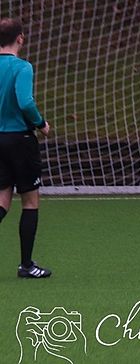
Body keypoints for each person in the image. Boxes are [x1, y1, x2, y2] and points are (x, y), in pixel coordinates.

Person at [0, 18, 52, 278]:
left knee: (2, 200)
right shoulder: (22, 67)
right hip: (20, 140)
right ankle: (26, 265)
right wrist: (41, 124)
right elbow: (25, 101)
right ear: (20, 38)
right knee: (30, 202)